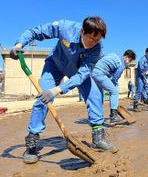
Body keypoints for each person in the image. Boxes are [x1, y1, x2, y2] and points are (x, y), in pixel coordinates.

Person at [10, 17, 118, 164]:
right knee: (43, 99)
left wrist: (58, 90)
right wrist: (19, 44)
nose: (92, 42)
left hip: (77, 72)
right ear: (82, 30)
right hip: (54, 65)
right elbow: (36, 31)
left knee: (95, 94)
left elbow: (82, 75)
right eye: (90, 37)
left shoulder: (97, 50)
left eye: (97, 40)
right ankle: (32, 142)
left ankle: (98, 137)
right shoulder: (64, 27)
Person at [91, 50, 136, 125]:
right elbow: (114, 78)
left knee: (100, 95)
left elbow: (110, 72)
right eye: (130, 60)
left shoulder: (114, 55)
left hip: (94, 72)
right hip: (100, 73)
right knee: (114, 92)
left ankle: (97, 117)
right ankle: (113, 116)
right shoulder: (121, 64)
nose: (129, 62)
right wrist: (115, 86)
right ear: (126, 57)